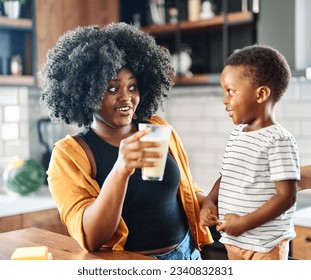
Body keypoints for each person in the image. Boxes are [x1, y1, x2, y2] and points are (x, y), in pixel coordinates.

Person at [38, 22, 213, 260]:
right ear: (86, 92)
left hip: (187, 255)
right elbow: (91, 237)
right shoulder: (70, 155)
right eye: (112, 88)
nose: (126, 97)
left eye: (133, 86)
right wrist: (121, 170)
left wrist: (208, 203)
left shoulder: (157, 128)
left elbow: (185, 191)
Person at [199, 45, 300, 260]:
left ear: (261, 94)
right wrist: (209, 201)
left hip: (266, 246)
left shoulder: (279, 140)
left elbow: (287, 196)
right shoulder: (237, 134)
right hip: (234, 242)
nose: (225, 99)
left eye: (231, 91)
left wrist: (244, 223)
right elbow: (227, 176)